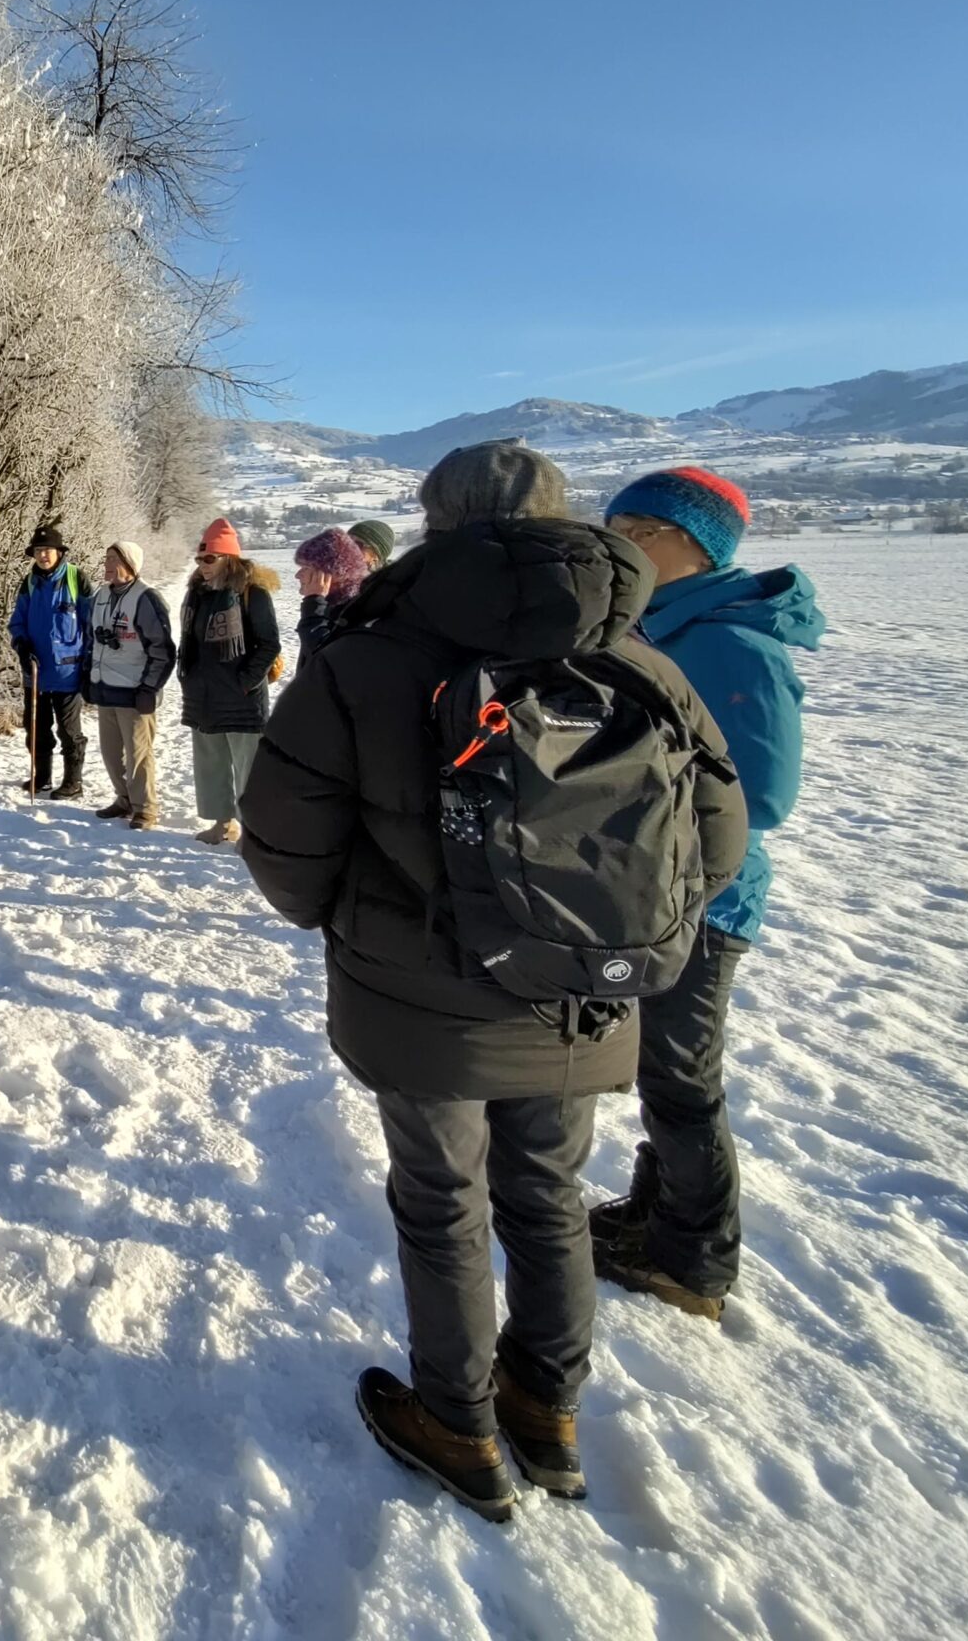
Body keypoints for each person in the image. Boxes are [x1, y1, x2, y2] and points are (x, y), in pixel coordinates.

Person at [238, 443, 746, 1522]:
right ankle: (546, 1410)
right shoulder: (641, 661)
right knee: (548, 1201)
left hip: (418, 998)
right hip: (582, 994)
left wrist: (347, 920)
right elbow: (717, 838)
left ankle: (455, 1420)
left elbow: (282, 834)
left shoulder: (370, 657)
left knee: (441, 1207)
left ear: (434, 524)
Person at [591, 468, 826, 1322]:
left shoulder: (732, 641)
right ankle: (654, 1208)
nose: (617, 540)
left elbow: (763, 793)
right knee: (658, 1068)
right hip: (644, 890)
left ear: (691, 544)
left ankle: (694, 1261)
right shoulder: (657, 624)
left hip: (704, 901)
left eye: (635, 528)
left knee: (684, 1078)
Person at [177, 518, 280, 844]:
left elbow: (269, 644)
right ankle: (223, 824)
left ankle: (254, 832)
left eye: (210, 559)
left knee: (248, 770)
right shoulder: (198, 594)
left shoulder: (252, 594)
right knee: (212, 766)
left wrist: (245, 682)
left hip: (241, 698)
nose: (203, 566)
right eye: (199, 559)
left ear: (229, 559)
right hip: (204, 696)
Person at [84, 541, 176, 829]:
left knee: (137, 755)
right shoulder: (100, 594)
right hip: (105, 687)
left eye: (115, 559)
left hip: (134, 690)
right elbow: (90, 639)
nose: (108, 564)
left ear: (131, 564)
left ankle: (145, 808)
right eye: (107, 559)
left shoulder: (146, 598)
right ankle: (123, 798)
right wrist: (87, 675)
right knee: (111, 754)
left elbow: (162, 648)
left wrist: (149, 688)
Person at [8, 524, 92, 798]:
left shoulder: (75, 578)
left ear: (59, 552)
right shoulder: (29, 582)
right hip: (36, 671)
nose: (43, 555)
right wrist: (21, 644)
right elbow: (17, 621)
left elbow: (91, 623)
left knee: (69, 731)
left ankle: (73, 782)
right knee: (35, 729)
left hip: (68, 671)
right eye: (38, 551)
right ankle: (41, 776)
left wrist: (90, 661)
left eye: (48, 550)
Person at [293, 526, 372, 660]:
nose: (297, 575)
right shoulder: (331, 605)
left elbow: (327, 659)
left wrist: (314, 604)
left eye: (305, 568)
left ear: (332, 573)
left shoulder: (355, 611)